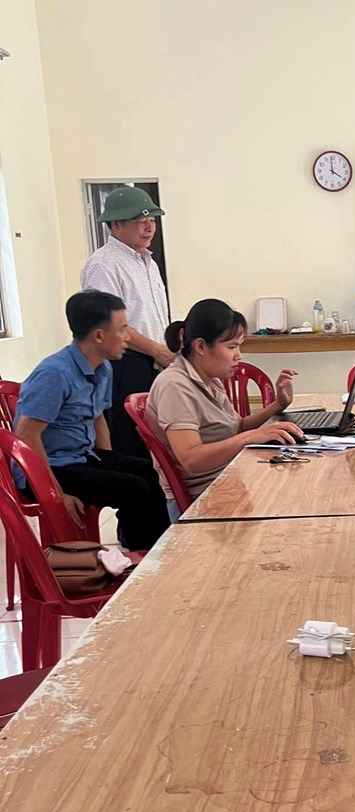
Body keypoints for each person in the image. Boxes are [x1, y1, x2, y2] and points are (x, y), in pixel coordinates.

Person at [14, 291, 170, 551]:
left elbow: (98, 419)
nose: (127, 337)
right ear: (99, 336)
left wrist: (108, 462)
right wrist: (55, 493)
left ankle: (156, 549)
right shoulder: (54, 374)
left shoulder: (103, 367)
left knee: (152, 471)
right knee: (134, 488)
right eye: (122, 329)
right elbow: (26, 436)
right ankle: (145, 557)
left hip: (81, 457)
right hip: (47, 466)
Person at [145, 299, 304, 520]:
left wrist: (279, 404)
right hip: (202, 498)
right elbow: (191, 459)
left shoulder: (210, 379)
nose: (239, 355)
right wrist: (251, 437)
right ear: (201, 346)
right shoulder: (175, 385)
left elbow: (237, 427)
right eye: (231, 347)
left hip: (227, 479)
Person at [80, 186, 173, 459]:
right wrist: (157, 351)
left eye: (152, 220)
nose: (149, 228)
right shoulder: (103, 265)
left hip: (153, 362)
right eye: (140, 221)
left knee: (155, 441)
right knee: (131, 443)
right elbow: (108, 326)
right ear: (116, 225)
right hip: (124, 364)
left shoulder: (148, 262)